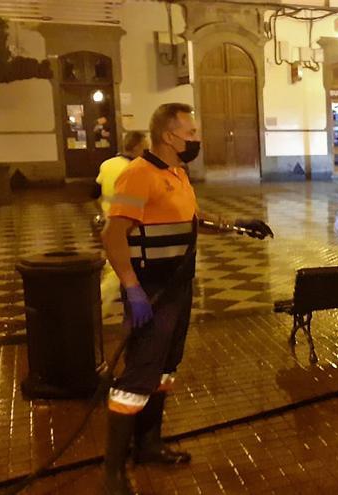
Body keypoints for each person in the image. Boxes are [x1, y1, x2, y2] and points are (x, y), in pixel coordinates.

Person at [101, 103, 273, 495]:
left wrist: (238, 226)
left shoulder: (177, 173)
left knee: (164, 370)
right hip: (151, 291)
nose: (196, 139)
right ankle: (112, 472)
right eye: (191, 133)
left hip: (178, 288)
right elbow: (112, 236)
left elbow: (192, 221)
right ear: (168, 136)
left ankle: (148, 445)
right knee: (138, 375)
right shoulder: (138, 175)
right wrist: (131, 287)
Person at [94, 131, 148, 217]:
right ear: (136, 148)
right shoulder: (138, 168)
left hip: (108, 215)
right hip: (128, 218)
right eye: (145, 149)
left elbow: (95, 193)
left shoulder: (106, 164)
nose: (146, 153)